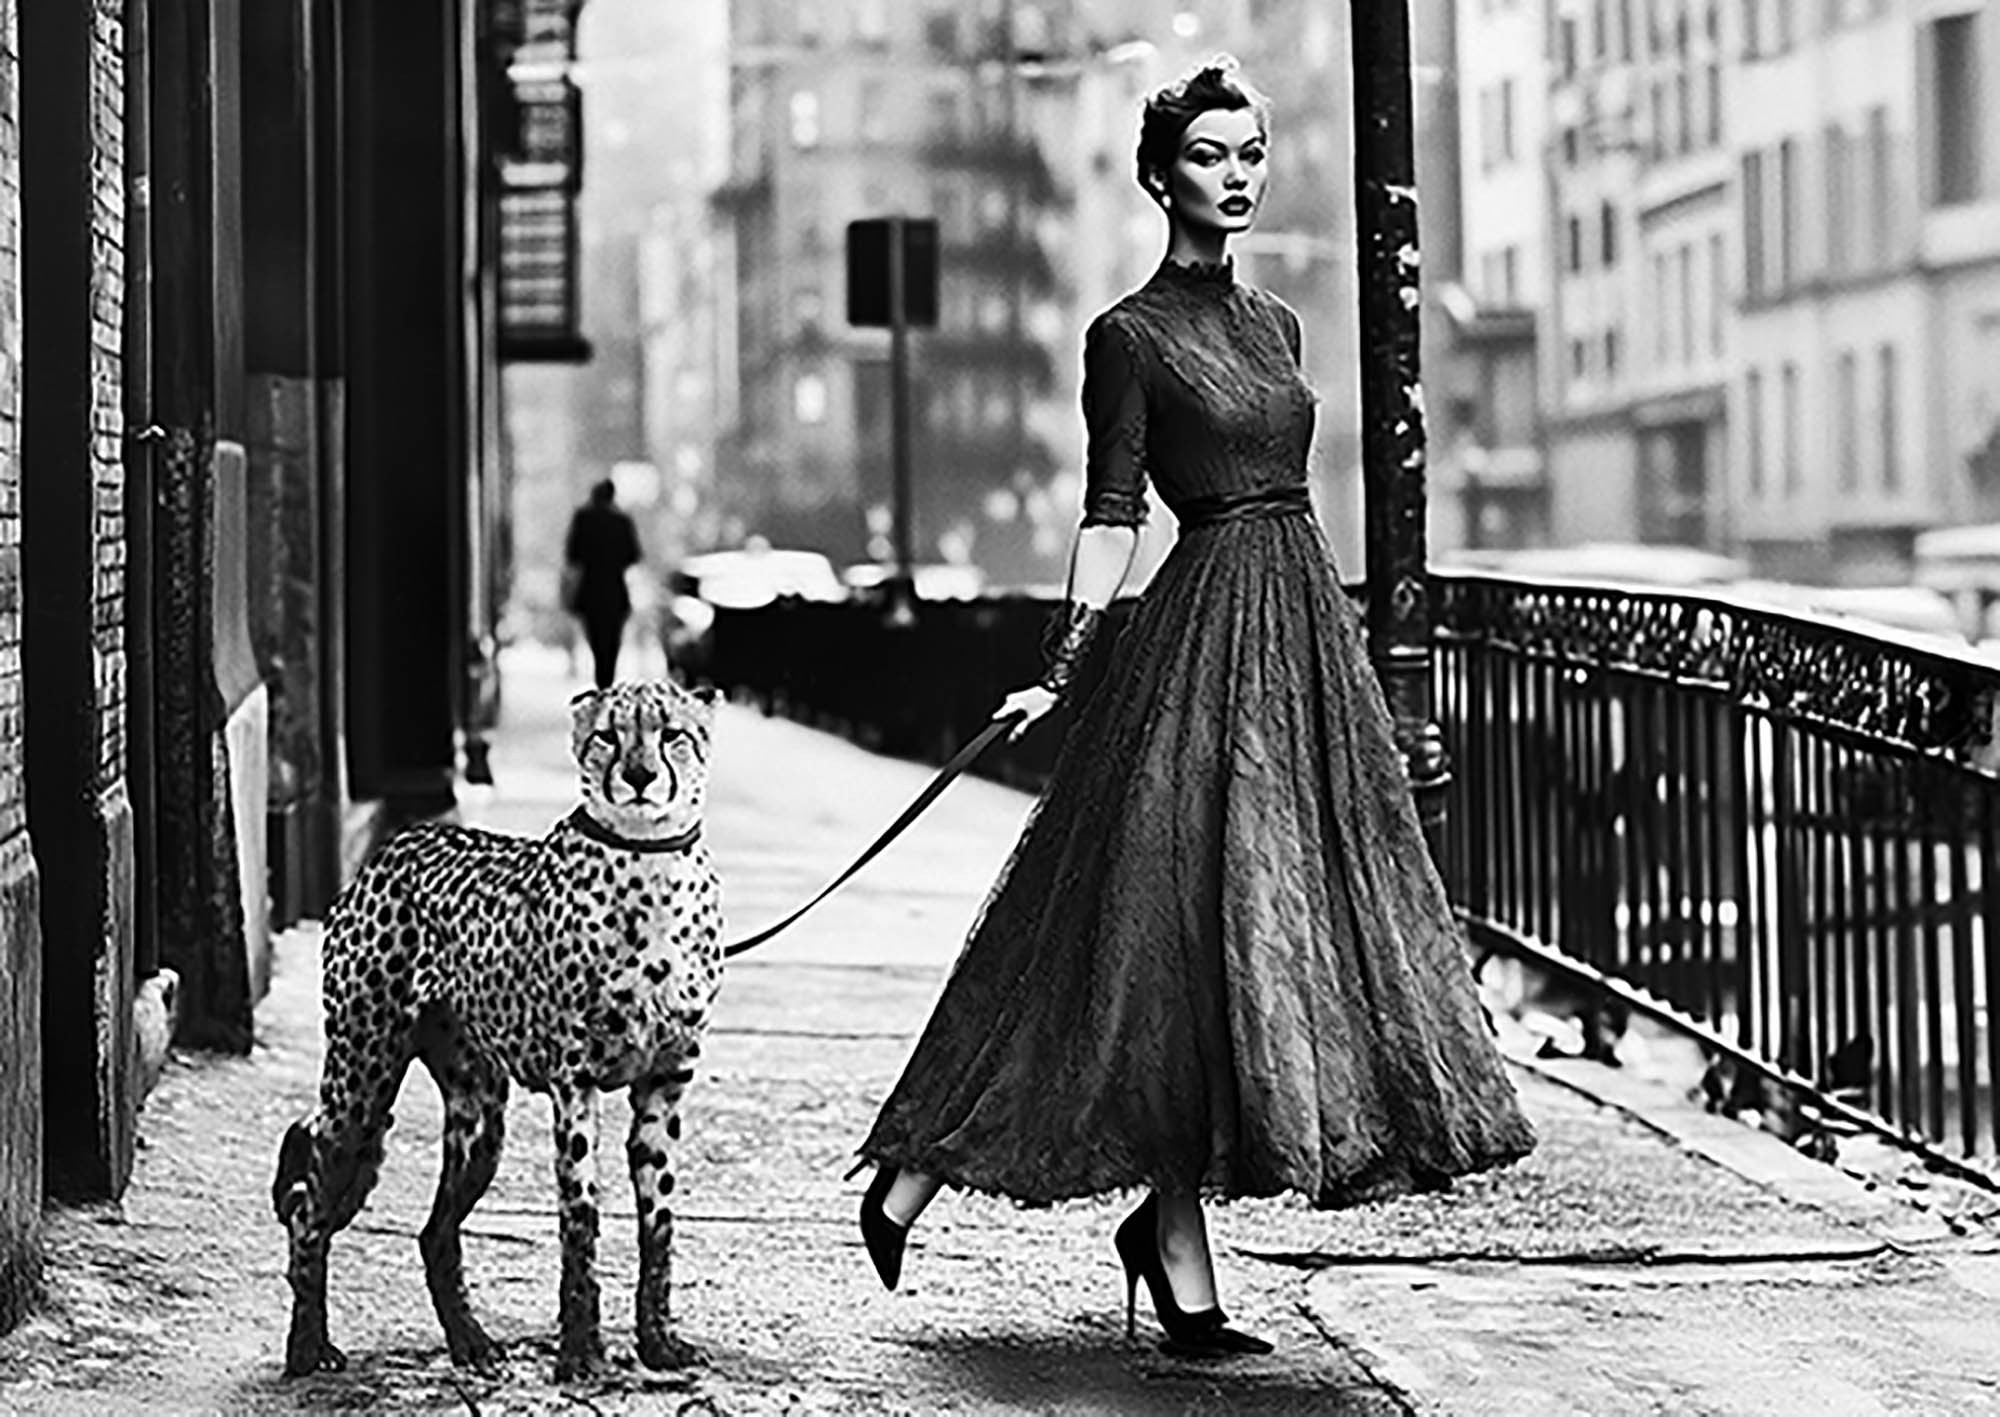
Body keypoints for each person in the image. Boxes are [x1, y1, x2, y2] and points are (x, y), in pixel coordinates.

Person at [850, 57, 1535, 1357]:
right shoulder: (1129, 337)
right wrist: (1060, 661)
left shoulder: (1276, 326)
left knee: (1272, 931)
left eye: (1252, 151)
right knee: (1145, 942)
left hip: (1300, 643)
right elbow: (1113, 517)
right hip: (1200, 640)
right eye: (1214, 154)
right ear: (1162, 175)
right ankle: (971, 1189)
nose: (1240, 173)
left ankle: (1161, 1238)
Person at [563, 478, 642, 689]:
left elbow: (572, 554)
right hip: (615, 590)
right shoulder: (622, 521)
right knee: (612, 641)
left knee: (596, 638)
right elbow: (634, 555)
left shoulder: (583, 518)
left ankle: (602, 679)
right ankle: (607, 679)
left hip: (590, 589)